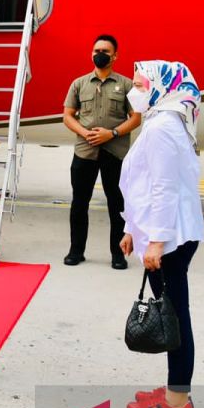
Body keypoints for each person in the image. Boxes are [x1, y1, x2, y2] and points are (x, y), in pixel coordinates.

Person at [119, 60, 204, 408]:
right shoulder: (164, 120)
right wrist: (131, 229)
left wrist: (155, 241)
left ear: (161, 86)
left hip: (169, 238)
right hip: (167, 234)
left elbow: (164, 189)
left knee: (176, 318)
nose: (133, 91)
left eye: (139, 84)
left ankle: (177, 401)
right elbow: (147, 183)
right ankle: (174, 387)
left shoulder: (162, 128)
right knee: (173, 312)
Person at [62, 35, 142, 269]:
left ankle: (118, 255)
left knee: (117, 205)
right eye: (97, 50)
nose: (101, 54)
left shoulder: (127, 85)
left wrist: (112, 134)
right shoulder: (79, 84)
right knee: (79, 203)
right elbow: (68, 115)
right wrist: (85, 133)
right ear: (91, 53)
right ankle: (76, 251)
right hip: (84, 153)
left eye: (106, 51)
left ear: (115, 56)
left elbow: (136, 118)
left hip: (114, 153)